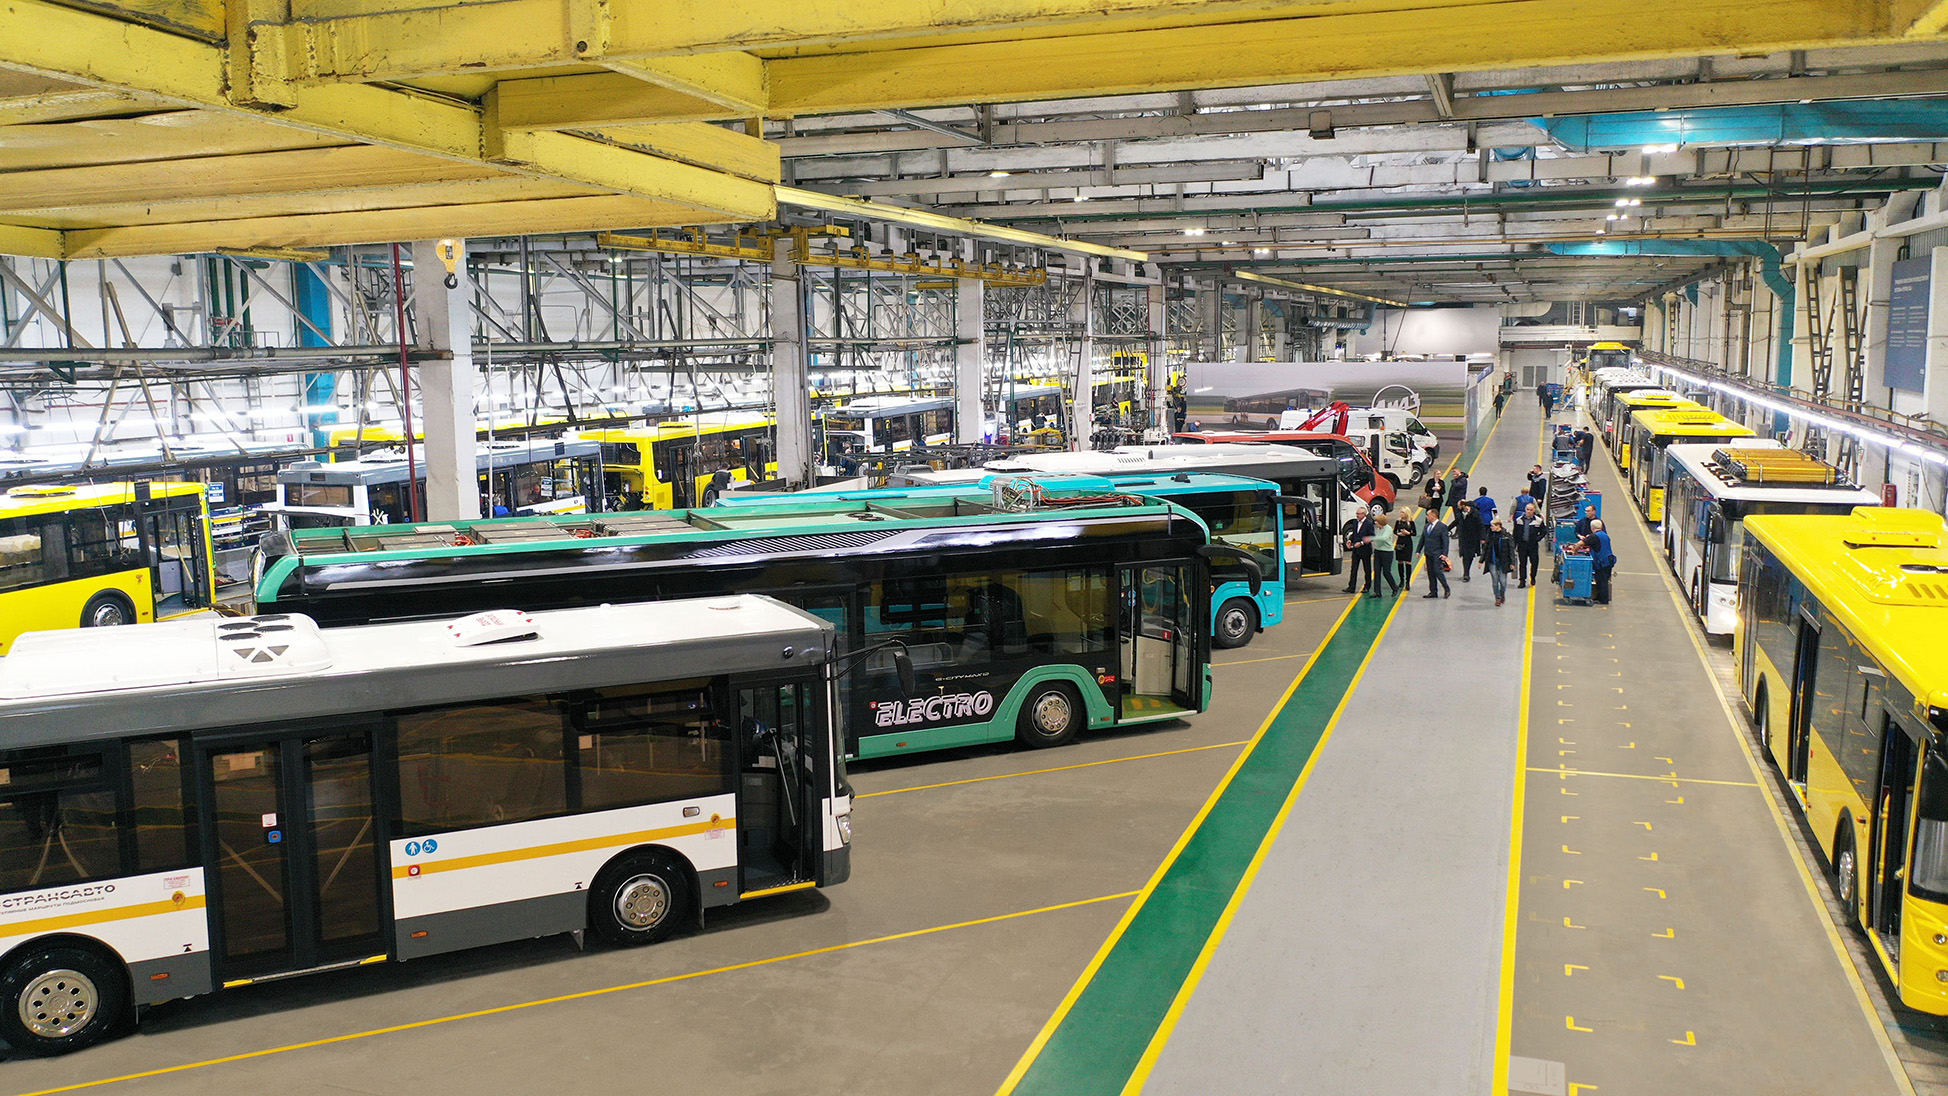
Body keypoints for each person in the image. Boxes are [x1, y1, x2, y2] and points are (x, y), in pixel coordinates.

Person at [1512, 501, 1547, 589]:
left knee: (1534, 562)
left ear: (1534, 510)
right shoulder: (1519, 520)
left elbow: (1544, 531)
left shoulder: (1538, 521)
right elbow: (1515, 533)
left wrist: (1537, 539)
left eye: (1531, 510)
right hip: (1522, 545)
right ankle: (1522, 581)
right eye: (1527, 509)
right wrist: (1514, 545)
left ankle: (1533, 577)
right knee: (1522, 563)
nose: (1529, 511)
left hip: (1533, 546)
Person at [1582, 518, 1617, 604]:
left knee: (1602, 581)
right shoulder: (1604, 535)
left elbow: (1581, 543)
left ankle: (1604, 600)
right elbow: (1599, 546)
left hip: (1603, 563)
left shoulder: (1594, 536)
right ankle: (1599, 597)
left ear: (1592, 527)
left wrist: (1574, 549)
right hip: (1609, 561)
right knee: (1600, 580)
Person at [1368, 509, 1401, 599]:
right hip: (1378, 551)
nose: (1375, 523)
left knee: (1386, 572)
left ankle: (1394, 587)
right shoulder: (1378, 529)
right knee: (1377, 571)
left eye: (1377, 521)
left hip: (1387, 552)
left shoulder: (1388, 529)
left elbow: (1383, 538)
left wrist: (1371, 538)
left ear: (1381, 522)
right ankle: (1377, 592)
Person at [1343, 508, 1376, 594]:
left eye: (1359, 514)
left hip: (1365, 550)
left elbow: (1371, 537)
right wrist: (1350, 540)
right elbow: (1355, 534)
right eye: (1356, 513)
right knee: (1353, 569)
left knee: (1367, 569)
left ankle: (1367, 586)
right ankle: (1351, 587)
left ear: (1364, 514)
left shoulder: (1369, 524)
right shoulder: (1355, 522)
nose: (1357, 515)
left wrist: (1361, 543)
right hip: (1356, 550)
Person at [1420, 509, 1452, 598]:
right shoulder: (1426, 526)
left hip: (1437, 553)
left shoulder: (1442, 527)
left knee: (1437, 571)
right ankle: (1433, 591)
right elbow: (1423, 539)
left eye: (1428, 515)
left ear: (1433, 516)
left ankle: (1446, 588)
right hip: (1428, 553)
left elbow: (1445, 541)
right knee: (1430, 572)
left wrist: (1445, 554)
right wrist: (1418, 550)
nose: (1426, 517)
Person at [1482, 518, 1515, 606]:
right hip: (1492, 561)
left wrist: (1512, 562)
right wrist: (1481, 560)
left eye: (1492, 526)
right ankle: (1497, 597)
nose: (1491, 528)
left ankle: (1502, 593)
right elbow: (1486, 548)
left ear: (1498, 526)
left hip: (1503, 561)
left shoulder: (1506, 536)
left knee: (1503, 581)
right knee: (1495, 580)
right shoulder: (1490, 535)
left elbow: (1511, 550)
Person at [1454, 500, 1482, 581]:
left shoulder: (1475, 514)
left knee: (1470, 555)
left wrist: (1482, 538)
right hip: (1463, 538)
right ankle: (1466, 573)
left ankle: (1466, 572)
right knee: (1465, 556)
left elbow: (1480, 526)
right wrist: (1446, 529)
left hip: (1473, 538)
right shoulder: (1460, 514)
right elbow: (1456, 521)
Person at [1392, 511, 1416, 589]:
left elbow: (1414, 533)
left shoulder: (1411, 522)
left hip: (1408, 543)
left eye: (1403, 512)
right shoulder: (1398, 521)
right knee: (1400, 561)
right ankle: (1401, 580)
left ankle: (1407, 582)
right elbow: (1395, 531)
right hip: (1400, 542)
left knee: (1408, 561)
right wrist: (1398, 534)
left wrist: (1408, 533)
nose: (1401, 514)